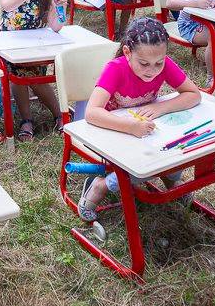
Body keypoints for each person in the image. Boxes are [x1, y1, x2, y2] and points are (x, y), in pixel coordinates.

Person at [76, 17, 202, 221]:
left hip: (141, 130)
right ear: (127, 53)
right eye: (144, 64)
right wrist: (130, 127)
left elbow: (194, 94)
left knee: (176, 150)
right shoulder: (116, 68)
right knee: (142, 166)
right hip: (108, 130)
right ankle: (101, 185)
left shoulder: (164, 65)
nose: (152, 70)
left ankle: (170, 180)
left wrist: (161, 107)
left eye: (159, 63)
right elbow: (91, 112)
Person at [0, 0, 68, 140]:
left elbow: (55, 27)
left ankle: (60, 115)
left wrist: (60, 8)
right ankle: (27, 119)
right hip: (8, 45)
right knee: (19, 71)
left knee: (31, 74)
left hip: (35, 45)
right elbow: (7, 5)